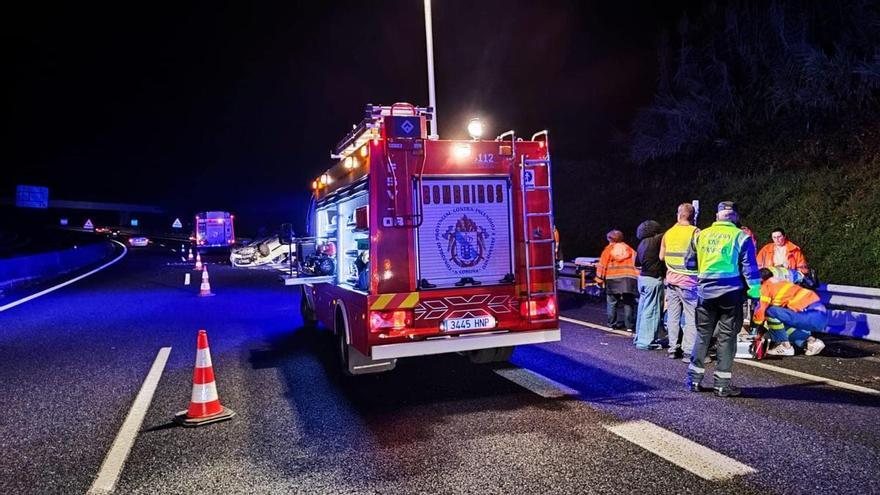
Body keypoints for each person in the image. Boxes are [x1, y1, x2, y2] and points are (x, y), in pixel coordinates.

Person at [687, 201, 761, 397]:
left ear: (717, 215)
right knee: (727, 338)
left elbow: (690, 263)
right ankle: (722, 385)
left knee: (703, 335)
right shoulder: (741, 237)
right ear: (735, 217)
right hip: (731, 294)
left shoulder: (700, 235)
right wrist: (755, 292)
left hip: (705, 292)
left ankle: (694, 380)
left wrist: (706, 271)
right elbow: (750, 269)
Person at [752, 268, 827, 356]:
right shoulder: (782, 281)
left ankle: (785, 346)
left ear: (760, 280)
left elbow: (761, 312)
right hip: (819, 313)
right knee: (783, 327)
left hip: (808, 313)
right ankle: (812, 343)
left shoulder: (766, 286)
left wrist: (754, 327)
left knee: (770, 312)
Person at [659, 203, 699, 360]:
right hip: (689, 282)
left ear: (678, 215)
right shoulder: (695, 232)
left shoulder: (668, 233)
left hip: (671, 281)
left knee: (673, 316)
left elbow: (662, 257)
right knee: (691, 317)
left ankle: (673, 348)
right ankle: (688, 351)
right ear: (692, 216)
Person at [596, 229, 638, 331]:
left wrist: (599, 279)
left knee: (612, 302)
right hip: (628, 279)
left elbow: (602, 266)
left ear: (610, 239)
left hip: (612, 279)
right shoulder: (630, 250)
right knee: (628, 302)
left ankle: (612, 324)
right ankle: (629, 326)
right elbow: (637, 264)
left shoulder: (608, 250)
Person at [634, 220, 666, 350]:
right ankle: (646, 341)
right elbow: (668, 234)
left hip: (642, 278)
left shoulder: (641, 244)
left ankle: (639, 337)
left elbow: (637, 263)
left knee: (642, 309)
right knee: (651, 310)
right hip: (653, 278)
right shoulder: (656, 240)